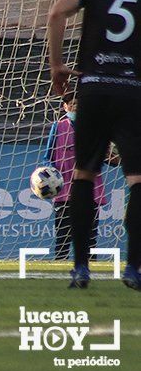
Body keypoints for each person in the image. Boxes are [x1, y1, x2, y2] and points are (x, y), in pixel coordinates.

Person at [47, 0, 141, 290]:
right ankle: (134, 267)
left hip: (95, 88)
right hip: (133, 90)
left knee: (84, 174)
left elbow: (57, 15)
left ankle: (81, 267)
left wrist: (57, 65)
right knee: (137, 179)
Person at [42, 91, 107, 260]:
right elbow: (47, 157)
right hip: (64, 189)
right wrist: (50, 174)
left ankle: (90, 267)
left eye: (78, 104)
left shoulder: (96, 127)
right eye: (71, 104)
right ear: (65, 107)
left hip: (90, 187)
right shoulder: (58, 126)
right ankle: (60, 265)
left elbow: (106, 156)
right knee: (63, 234)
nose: (74, 107)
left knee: (90, 235)